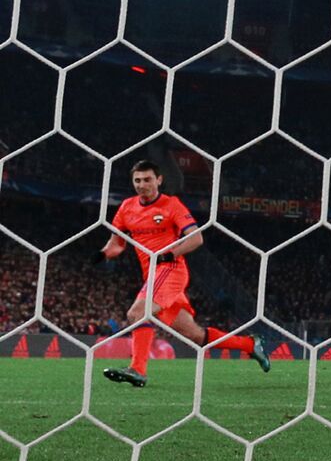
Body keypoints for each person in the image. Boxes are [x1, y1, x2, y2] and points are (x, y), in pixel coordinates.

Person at [93, 160, 269, 387]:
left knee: (137, 313)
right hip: (153, 276)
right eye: (137, 180)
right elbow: (116, 244)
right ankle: (250, 345)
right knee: (195, 335)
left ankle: (137, 369)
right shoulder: (127, 207)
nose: (141, 185)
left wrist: (169, 254)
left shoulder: (171, 205)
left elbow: (196, 238)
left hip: (170, 270)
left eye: (147, 179)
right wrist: (101, 255)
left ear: (159, 180)